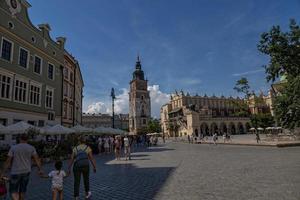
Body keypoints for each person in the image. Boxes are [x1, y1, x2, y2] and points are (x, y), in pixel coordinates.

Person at [1, 134, 43, 200]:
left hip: (15, 172)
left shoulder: (13, 148)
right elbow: (37, 159)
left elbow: (8, 162)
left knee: (13, 191)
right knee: (23, 190)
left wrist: (2, 173)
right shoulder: (31, 148)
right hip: (26, 171)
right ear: (27, 139)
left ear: (20, 139)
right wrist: (40, 169)